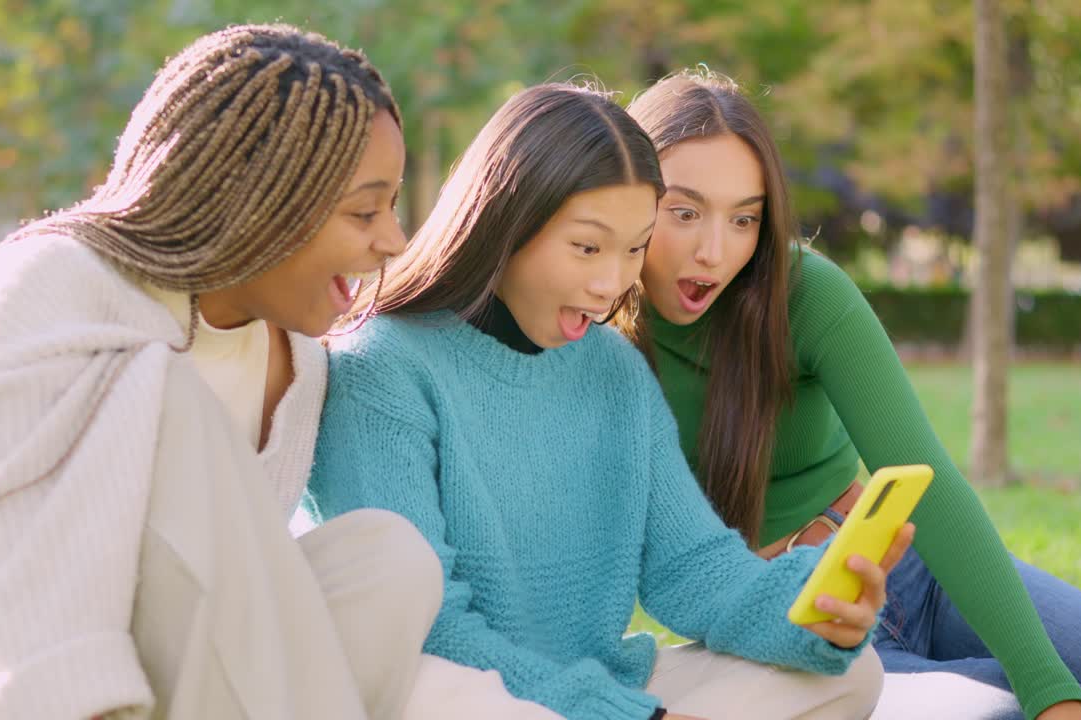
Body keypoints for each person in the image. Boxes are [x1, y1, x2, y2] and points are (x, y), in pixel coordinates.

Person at [0, 24, 445, 720]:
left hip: (118, 644)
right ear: (256, 201)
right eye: (365, 210)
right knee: (161, 394)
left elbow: (213, 589)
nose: (395, 240)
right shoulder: (53, 278)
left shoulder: (297, 366)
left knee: (388, 562)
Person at [307, 82, 904, 720]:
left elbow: (694, 566)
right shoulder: (382, 368)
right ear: (507, 221)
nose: (611, 283)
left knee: (848, 675)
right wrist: (623, 715)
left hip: (595, 689)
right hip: (464, 693)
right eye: (587, 247)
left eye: (634, 248)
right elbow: (432, 630)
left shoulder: (614, 369)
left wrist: (812, 611)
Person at [622, 68, 1081, 720]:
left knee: (1077, 684)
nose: (715, 251)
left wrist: (1052, 690)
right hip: (793, 630)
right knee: (997, 708)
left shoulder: (805, 295)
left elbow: (931, 482)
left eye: (744, 218)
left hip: (914, 576)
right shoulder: (598, 350)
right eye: (684, 213)